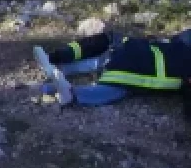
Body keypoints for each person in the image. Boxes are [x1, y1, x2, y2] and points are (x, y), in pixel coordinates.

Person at [31, 28, 191, 113]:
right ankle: (69, 93)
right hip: (139, 71)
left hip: (129, 47)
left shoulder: (182, 40)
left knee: (101, 60)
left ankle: (57, 64)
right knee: (113, 89)